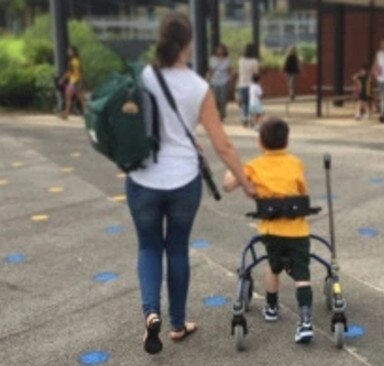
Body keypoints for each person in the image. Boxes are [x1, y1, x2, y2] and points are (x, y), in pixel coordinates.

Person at [127, 12, 255, 355]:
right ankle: (178, 324)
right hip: (184, 180)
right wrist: (244, 181)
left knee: (148, 247)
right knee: (177, 248)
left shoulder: (145, 76)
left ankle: (151, 312)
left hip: (143, 178)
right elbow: (222, 144)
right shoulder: (199, 87)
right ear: (188, 44)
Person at [223, 118, 315, 344]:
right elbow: (303, 192)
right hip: (298, 230)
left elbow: (227, 185)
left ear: (260, 142)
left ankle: (272, 308)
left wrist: (236, 169)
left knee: (273, 267)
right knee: (302, 275)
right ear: (286, 141)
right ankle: (305, 321)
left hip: (272, 231)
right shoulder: (295, 163)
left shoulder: (255, 166)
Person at [59, 46, 86, 120]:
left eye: (70, 51)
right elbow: (71, 72)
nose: (68, 52)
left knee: (74, 98)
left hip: (74, 82)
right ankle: (66, 113)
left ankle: (66, 114)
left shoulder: (74, 61)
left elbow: (77, 72)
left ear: (73, 52)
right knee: (79, 98)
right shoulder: (74, 61)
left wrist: (62, 79)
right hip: (74, 81)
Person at [207, 43, 232, 122]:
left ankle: (222, 114)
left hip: (224, 81)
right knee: (215, 99)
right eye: (218, 49)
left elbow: (229, 70)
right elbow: (210, 70)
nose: (219, 50)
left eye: (221, 49)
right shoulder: (212, 59)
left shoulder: (227, 60)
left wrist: (231, 79)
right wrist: (207, 78)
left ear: (224, 51)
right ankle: (218, 112)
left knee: (223, 99)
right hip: (214, 81)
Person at [237, 43, 260, 126]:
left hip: (242, 84)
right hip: (252, 84)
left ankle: (244, 118)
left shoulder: (241, 60)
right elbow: (256, 73)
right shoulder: (254, 61)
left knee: (244, 103)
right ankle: (251, 119)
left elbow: (240, 73)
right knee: (252, 102)